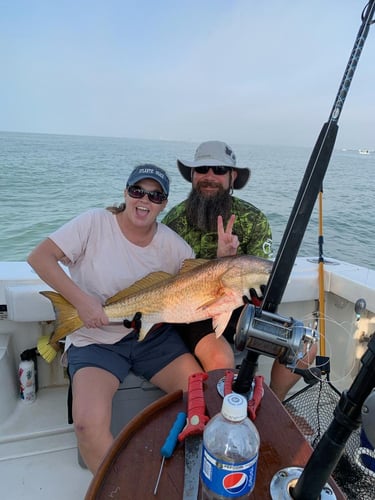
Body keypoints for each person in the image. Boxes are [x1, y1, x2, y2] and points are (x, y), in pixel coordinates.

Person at [27, 164, 203, 474]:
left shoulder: (174, 246)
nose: (144, 200)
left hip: (152, 337)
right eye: (138, 191)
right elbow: (40, 257)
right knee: (86, 424)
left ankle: (177, 473)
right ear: (125, 192)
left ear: (163, 204)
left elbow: (201, 283)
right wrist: (82, 302)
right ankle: (118, 488)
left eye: (155, 195)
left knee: (202, 400)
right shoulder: (94, 222)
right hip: (95, 340)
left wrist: (227, 259)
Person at [162, 141, 316, 400]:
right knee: (221, 359)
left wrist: (232, 265)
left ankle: (275, 404)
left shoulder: (253, 220)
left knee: (305, 346)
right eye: (202, 169)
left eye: (219, 169)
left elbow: (262, 280)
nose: (209, 176)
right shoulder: (173, 221)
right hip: (195, 309)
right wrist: (219, 262)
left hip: (243, 307)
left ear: (232, 177)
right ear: (192, 175)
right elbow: (165, 280)